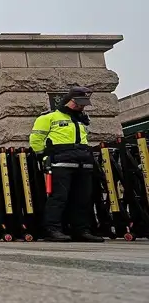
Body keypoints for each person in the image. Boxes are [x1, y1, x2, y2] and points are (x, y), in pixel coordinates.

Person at [29, 86, 104, 242]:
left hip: (83, 163)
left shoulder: (82, 119)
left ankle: (81, 230)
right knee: (58, 198)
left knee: (83, 199)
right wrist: (45, 157)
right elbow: (36, 140)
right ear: (68, 100)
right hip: (60, 164)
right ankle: (52, 229)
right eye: (77, 103)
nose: (80, 106)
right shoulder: (48, 117)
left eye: (83, 103)